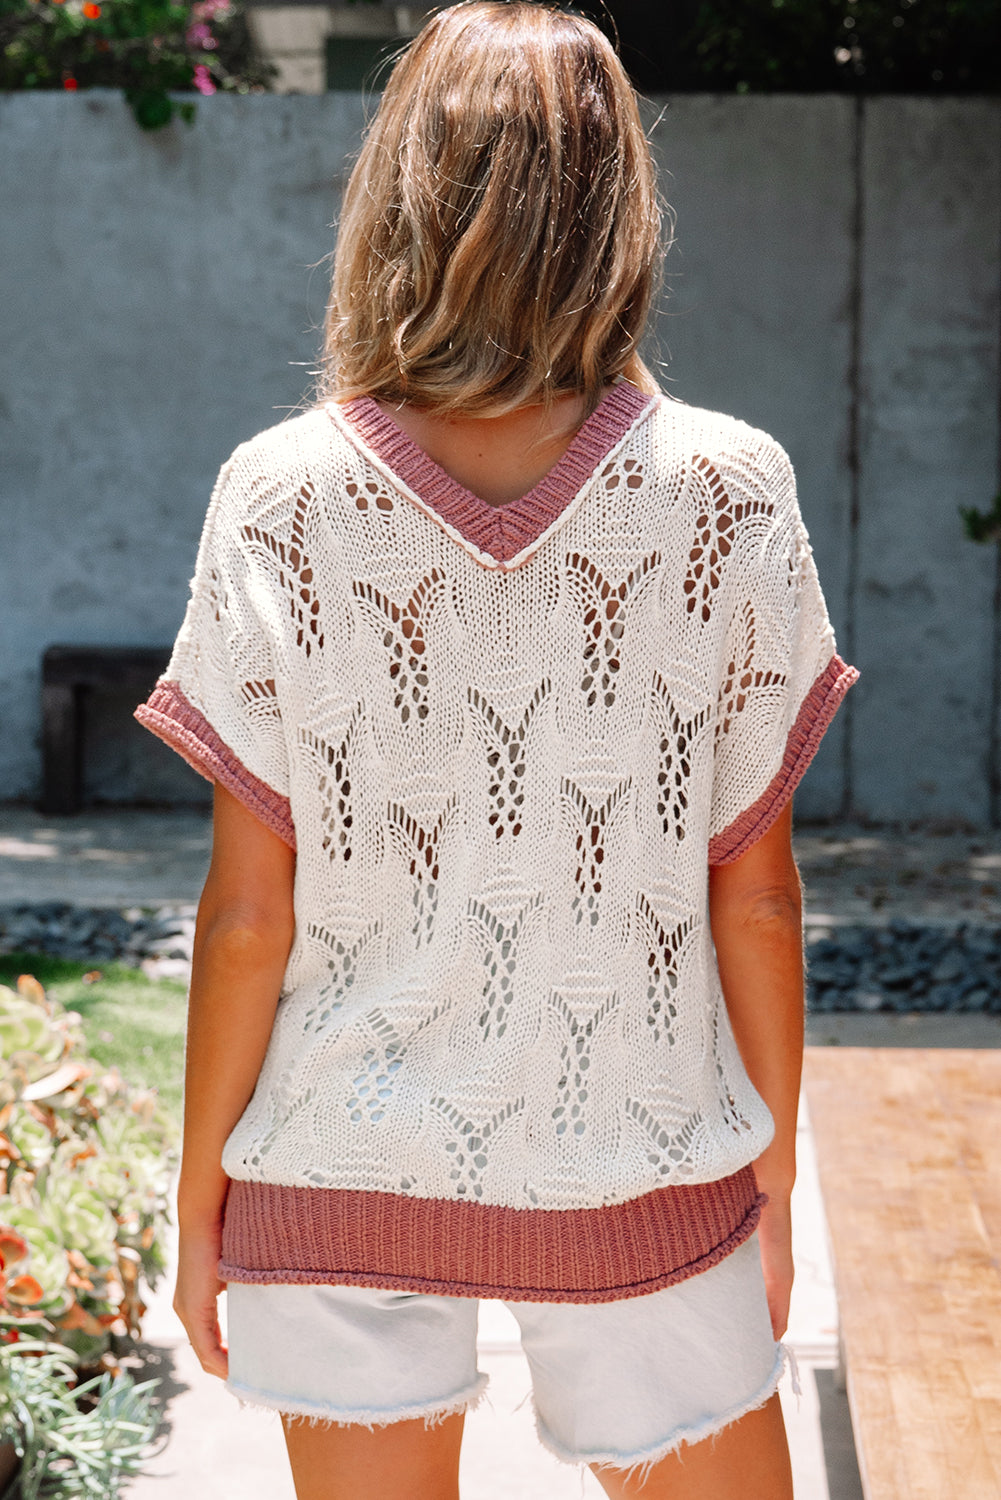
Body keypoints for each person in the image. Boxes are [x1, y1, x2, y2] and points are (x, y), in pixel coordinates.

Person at [136, 4, 857, 1496]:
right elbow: (756, 892)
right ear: (618, 205)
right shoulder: (727, 491)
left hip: (337, 1161)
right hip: (644, 1161)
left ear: (397, 188)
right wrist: (770, 1171)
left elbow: (248, 914)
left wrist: (203, 1192)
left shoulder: (280, 493)